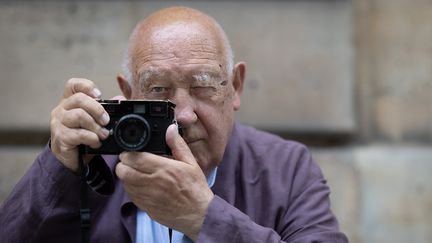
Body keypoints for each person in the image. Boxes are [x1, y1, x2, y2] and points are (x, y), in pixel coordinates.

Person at [0, 6, 348, 243]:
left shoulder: (285, 167)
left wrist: (203, 215)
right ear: (127, 92)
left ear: (236, 86)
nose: (182, 114)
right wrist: (56, 166)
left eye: (202, 85)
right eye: (158, 89)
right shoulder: (93, 162)